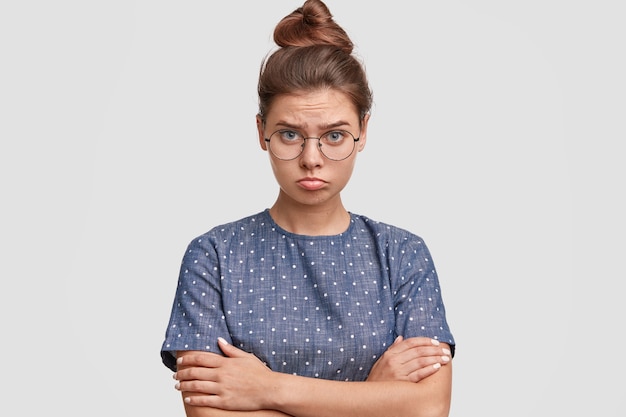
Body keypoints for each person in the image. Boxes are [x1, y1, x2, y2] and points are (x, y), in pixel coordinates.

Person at [160, 1, 456, 416]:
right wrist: (374, 397)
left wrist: (267, 388)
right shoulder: (213, 256)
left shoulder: (402, 255)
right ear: (261, 131)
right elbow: (209, 413)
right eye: (289, 134)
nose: (311, 158)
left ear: (363, 131)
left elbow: (428, 408)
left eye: (334, 135)